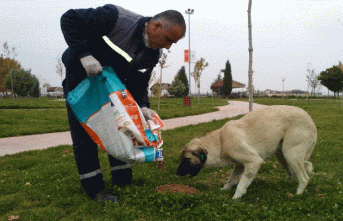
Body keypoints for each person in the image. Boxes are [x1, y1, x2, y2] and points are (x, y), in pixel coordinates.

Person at [60, 4, 186, 202]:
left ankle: (122, 179)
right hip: (83, 77)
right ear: (156, 26)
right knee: (85, 132)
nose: (168, 47)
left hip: (114, 87)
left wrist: (143, 106)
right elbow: (69, 19)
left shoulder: (153, 54)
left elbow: (139, 82)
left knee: (122, 128)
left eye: (173, 43)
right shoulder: (115, 18)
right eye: (168, 39)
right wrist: (84, 55)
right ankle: (94, 188)